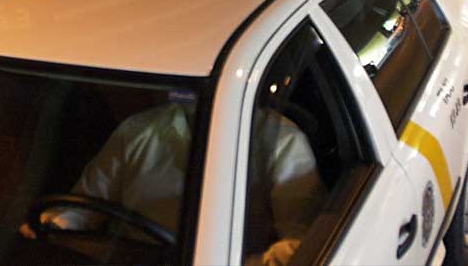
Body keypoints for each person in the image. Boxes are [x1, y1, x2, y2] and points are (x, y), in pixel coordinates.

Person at [27, 100, 322, 265]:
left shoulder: (282, 142)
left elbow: (303, 244)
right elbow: (84, 208)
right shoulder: (138, 130)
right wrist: (46, 229)